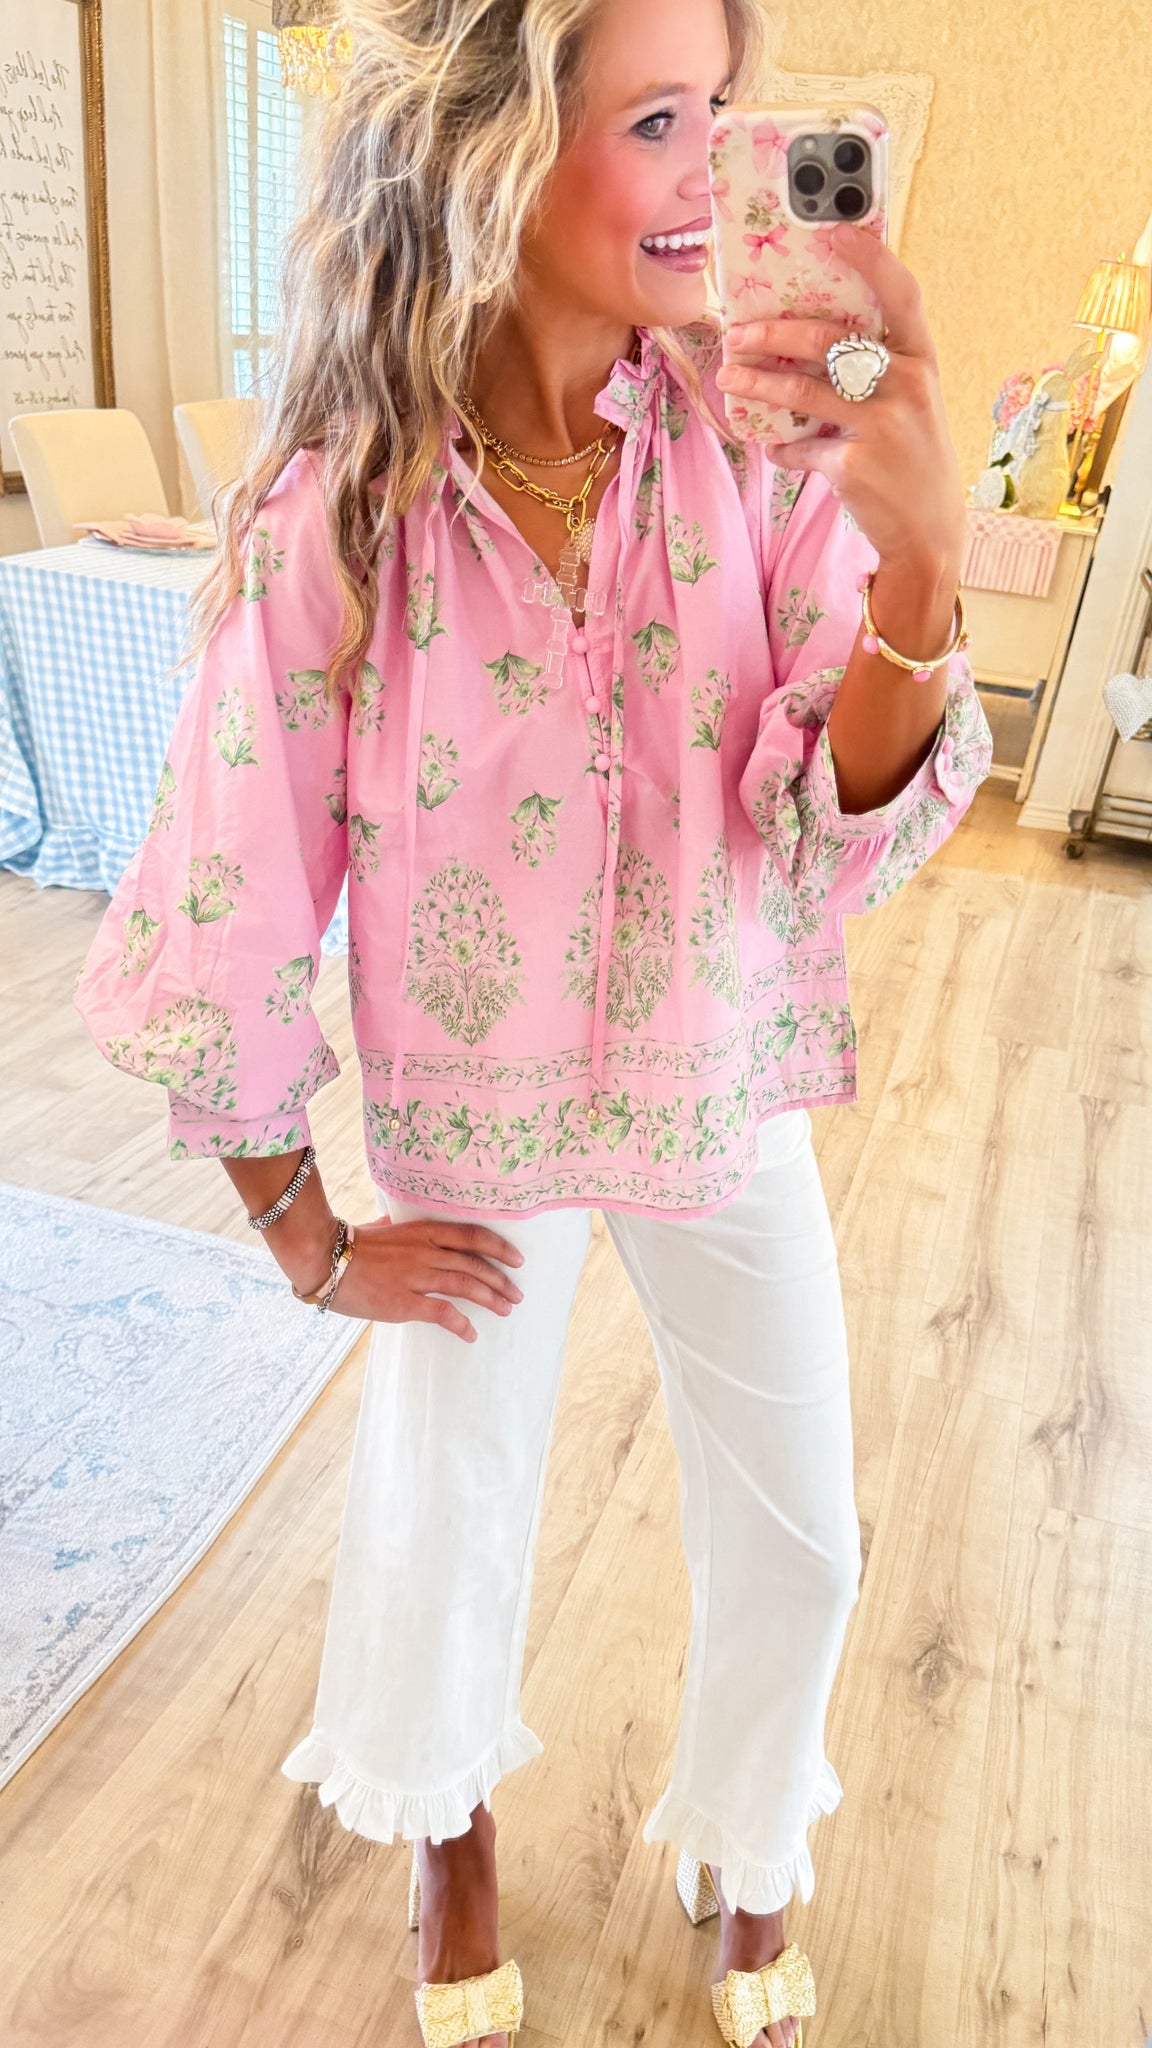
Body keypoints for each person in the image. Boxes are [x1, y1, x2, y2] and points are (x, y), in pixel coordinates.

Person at [73, 0, 993, 2041]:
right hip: (472, 1117)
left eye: (729, 113)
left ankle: (751, 1829)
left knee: (808, 1533)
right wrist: (304, 1232)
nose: (716, 172)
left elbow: (822, 819)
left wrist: (925, 564)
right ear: (495, 149)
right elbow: (231, 865)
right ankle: (450, 1826)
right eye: (660, 120)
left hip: (715, 1075)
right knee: (449, 1509)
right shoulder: (346, 507)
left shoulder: (760, 446)